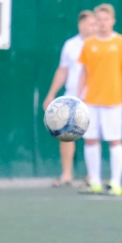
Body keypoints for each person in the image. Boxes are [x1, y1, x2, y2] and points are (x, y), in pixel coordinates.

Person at [78, 3, 122, 196]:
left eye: (106, 19)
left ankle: (115, 183)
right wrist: (79, 96)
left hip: (113, 101)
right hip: (91, 100)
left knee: (115, 140)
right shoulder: (89, 44)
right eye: (99, 20)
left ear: (113, 21)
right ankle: (94, 181)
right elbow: (84, 71)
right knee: (90, 140)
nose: (103, 23)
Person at [43, 10, 97, 187]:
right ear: (80, 25)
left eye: (94, 24)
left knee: (92, 136)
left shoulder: (99, 44)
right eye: (89, 23)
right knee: (66, 134)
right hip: (72, 96)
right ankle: (66, 174)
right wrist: (51, 94)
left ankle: (92, 176)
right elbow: (63, 70)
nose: (92, 27)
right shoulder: (70, 45)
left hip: (94, 96)